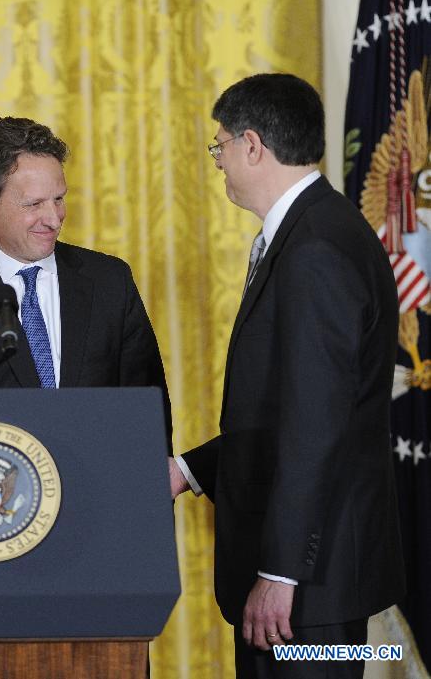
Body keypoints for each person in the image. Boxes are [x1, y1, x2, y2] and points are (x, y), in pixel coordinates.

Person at [168, 73, 405, 678]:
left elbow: (315, 424)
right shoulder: (316, 231)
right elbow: (293, 411)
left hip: (305, 590)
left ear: (252, 145)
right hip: (310, 578)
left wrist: (280, 572)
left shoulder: (315, 250)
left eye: (219, 146)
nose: (217, 161)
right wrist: (190, 469)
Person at [0, 117, 170, 426]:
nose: (54, 219)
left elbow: (147, 409)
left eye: (59, 199)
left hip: (105, 471)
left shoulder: (110, 280)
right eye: (34, 204)